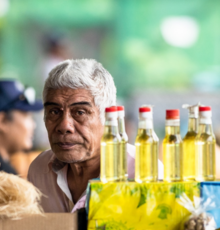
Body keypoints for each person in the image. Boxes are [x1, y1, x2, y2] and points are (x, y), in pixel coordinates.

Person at [28, 59, 159, 213]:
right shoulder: (40, 170)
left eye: (80, 112)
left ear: (110, 118)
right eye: (54, 112)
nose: (64, 126)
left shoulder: (145, 173)